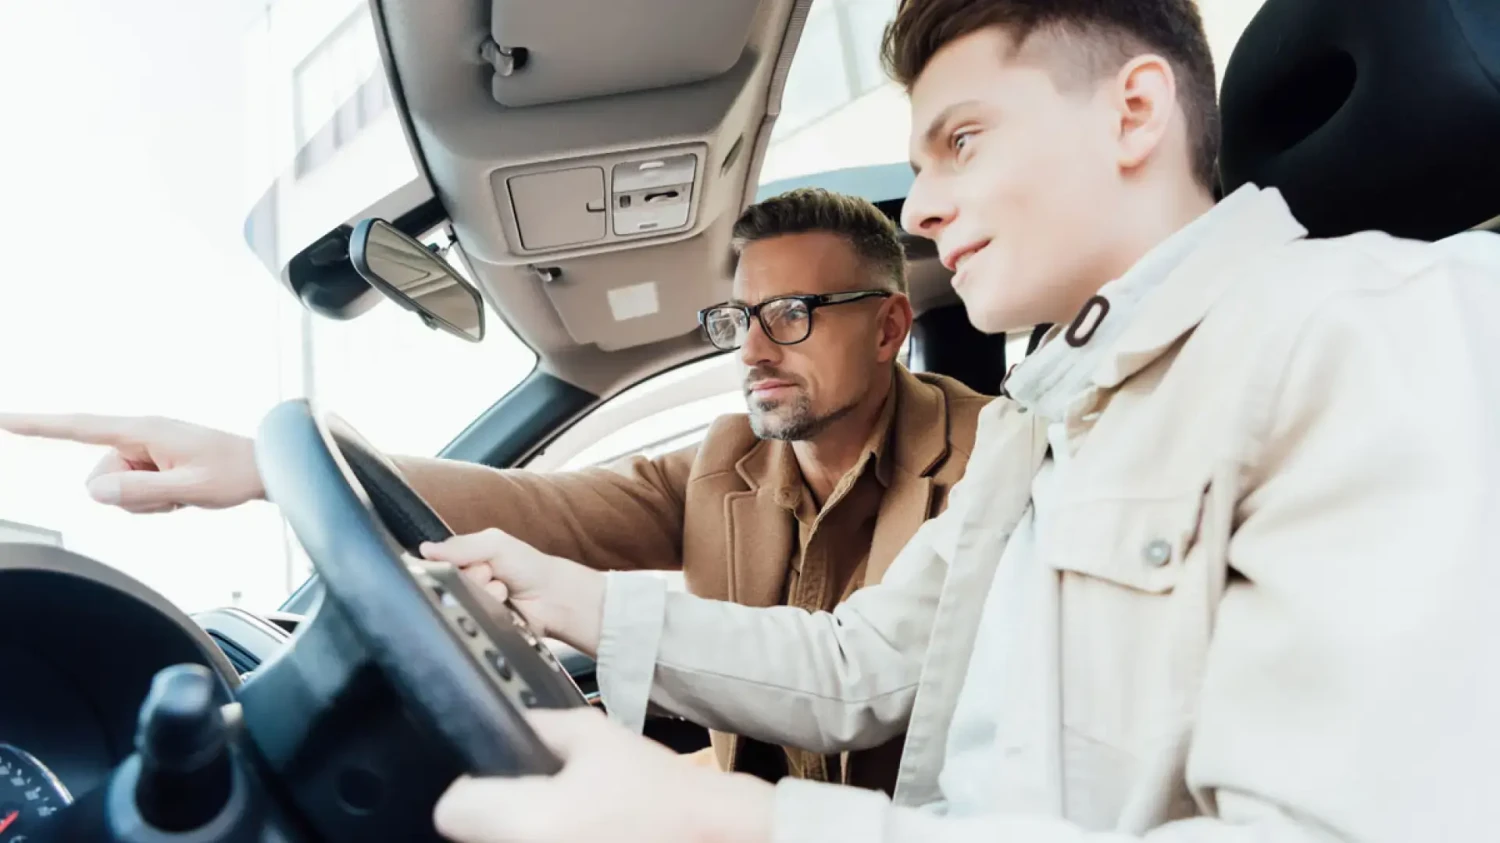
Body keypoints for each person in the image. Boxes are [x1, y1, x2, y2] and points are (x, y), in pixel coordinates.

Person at [422, 0, 1500, 841]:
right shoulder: (1043, 422)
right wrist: (568, 597)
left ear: (1133, 113)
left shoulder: (1375, 330)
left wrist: (739, 825)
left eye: (963, 142)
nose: (924, 208)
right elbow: (864, 665)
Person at [0, 188, 992, 796]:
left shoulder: (995, 461)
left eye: (789, 314)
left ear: (889, 325)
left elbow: (864, 683)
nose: (755, 349)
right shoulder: (730, 457)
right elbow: (546, 509)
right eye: (738, 318)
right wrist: (259, 465)